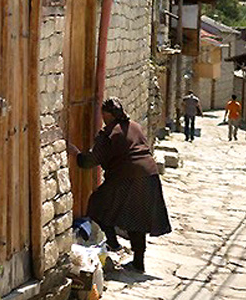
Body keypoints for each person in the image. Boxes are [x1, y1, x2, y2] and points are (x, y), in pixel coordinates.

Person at [68, 97, 171, 273]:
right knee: (136, 218)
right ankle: (138, 263)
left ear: (107, 114)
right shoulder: (135, 126)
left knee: (97, 204)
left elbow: (89, 162)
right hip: (149, 174)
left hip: (127, 175)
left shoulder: (109, 133)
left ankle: (113, 243)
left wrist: (76, 154)